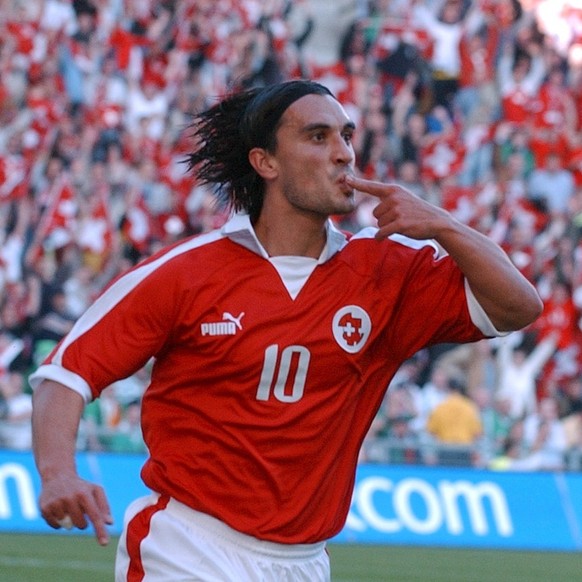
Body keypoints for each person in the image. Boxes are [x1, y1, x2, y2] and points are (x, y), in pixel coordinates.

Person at [29, 79, 542, 581]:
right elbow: (67, 373)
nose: (343, 153)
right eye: (318, 137)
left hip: (304, 562)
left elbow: (519, 307)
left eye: (346, 135)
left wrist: (445, 226)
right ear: (266, 162)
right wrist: (57, 473)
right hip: (186, 544)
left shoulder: (388, 272)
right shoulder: (187, 272)